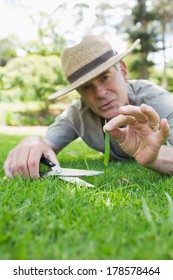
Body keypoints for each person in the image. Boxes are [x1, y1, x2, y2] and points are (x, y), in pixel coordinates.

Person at [3, 34, 173, 178]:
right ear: (78, 92)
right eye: (86, 87)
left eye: (105, 77)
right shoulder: (77, 114)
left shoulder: (158, 102)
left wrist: (156, 157)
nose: (99, 93)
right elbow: (46, 144)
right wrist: (32, 141)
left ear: (123, 70)